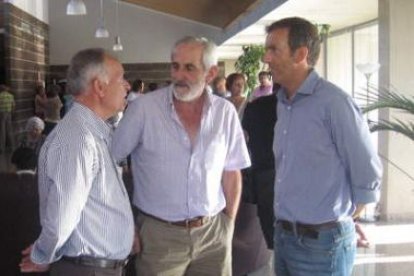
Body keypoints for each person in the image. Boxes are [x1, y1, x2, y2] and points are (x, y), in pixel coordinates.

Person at [112, 36, 251, 276]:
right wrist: (125, 221)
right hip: (158, 236)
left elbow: (232, 171)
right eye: (175, 66)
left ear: (210, 73)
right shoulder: (144, 109)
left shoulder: (225, 113)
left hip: (213, 234)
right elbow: (109, 163)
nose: (179, 75)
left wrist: (228, 223)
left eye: (189, 68)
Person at [263, 17, 383, 275]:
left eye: (274, 49)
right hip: (284, 236)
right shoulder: (284, 103)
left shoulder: (334, 103)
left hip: (321, 245)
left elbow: (367, 167)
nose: (266, 58)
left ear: (301, 54)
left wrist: (344, 219)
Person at [19, 48, 135, 276]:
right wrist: (42, 255)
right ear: (99, 87)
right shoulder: (77, 138)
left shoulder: (94, 132)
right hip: (86, 269)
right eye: (121, 78)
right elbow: (62, 215)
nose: (127, 86)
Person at [241, 91, 277, 249]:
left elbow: (245, 136)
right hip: (284, 172)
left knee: (269, 226)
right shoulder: (298, 109)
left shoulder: (254, 107)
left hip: (262, 173)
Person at [0, 84, 15, 153]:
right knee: (9, 130)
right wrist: (12, 113)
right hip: (9, 113)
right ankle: (12, 147)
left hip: (2, 113)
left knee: (2, 131)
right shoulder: (11, 96)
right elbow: (13, 106)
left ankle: (2, 149)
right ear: (6, 89)